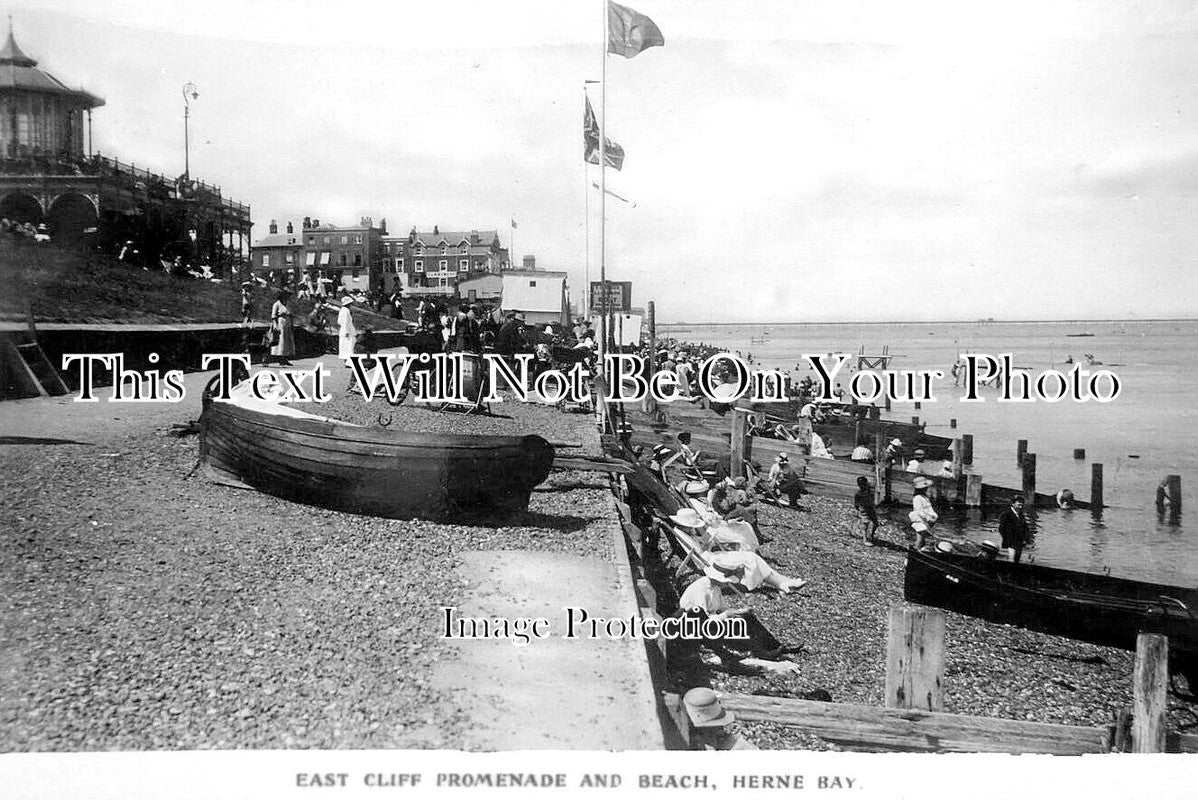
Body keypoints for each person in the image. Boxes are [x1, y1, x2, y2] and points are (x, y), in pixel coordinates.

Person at [999, 495, 1031, 563]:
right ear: (1013, 504)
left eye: (1022, 503)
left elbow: (1025, 528)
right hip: (1011, 543)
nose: (1021, 505)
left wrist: (1026, 539)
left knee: (1017, 560)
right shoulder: (1006, 514)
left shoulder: (1021, 515)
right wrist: (1008, 539)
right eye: (1019, 503)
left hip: (1019, 543)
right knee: (1011, 560)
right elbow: (1001, 529)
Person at [909, 476, 938, 550]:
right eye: (924, 488)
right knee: (920, 539)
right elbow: (919, 511)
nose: (926, 489)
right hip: (920, 521)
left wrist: (934, 515)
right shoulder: (917, 498)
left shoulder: (925, 498)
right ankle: (915, 552)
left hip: (925, 521)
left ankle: (918, 551)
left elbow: (929, 508)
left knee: (923, 540)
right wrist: (929, 518)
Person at [269, 289, 295, 366]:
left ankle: (285, 357)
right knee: (281, 340)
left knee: (287, 340)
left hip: (287, 322)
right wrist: (275, 325)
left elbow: (290, 314)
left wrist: (292, 323)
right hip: (280, 322)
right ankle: (280, 358)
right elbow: (273, 316)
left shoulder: (287, 304)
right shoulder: (276, 304)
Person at [854, 476, 879, 545]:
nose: (862, 486)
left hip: (871, 508)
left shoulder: (869, 490)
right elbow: (856, 503)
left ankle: (871, 536)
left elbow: (872, 497)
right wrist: (859, 509)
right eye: (861, 484)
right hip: (864, 508)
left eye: (864, 484)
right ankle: (865, 539)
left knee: (875, 523)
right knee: (865, 523)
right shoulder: (858, 494)